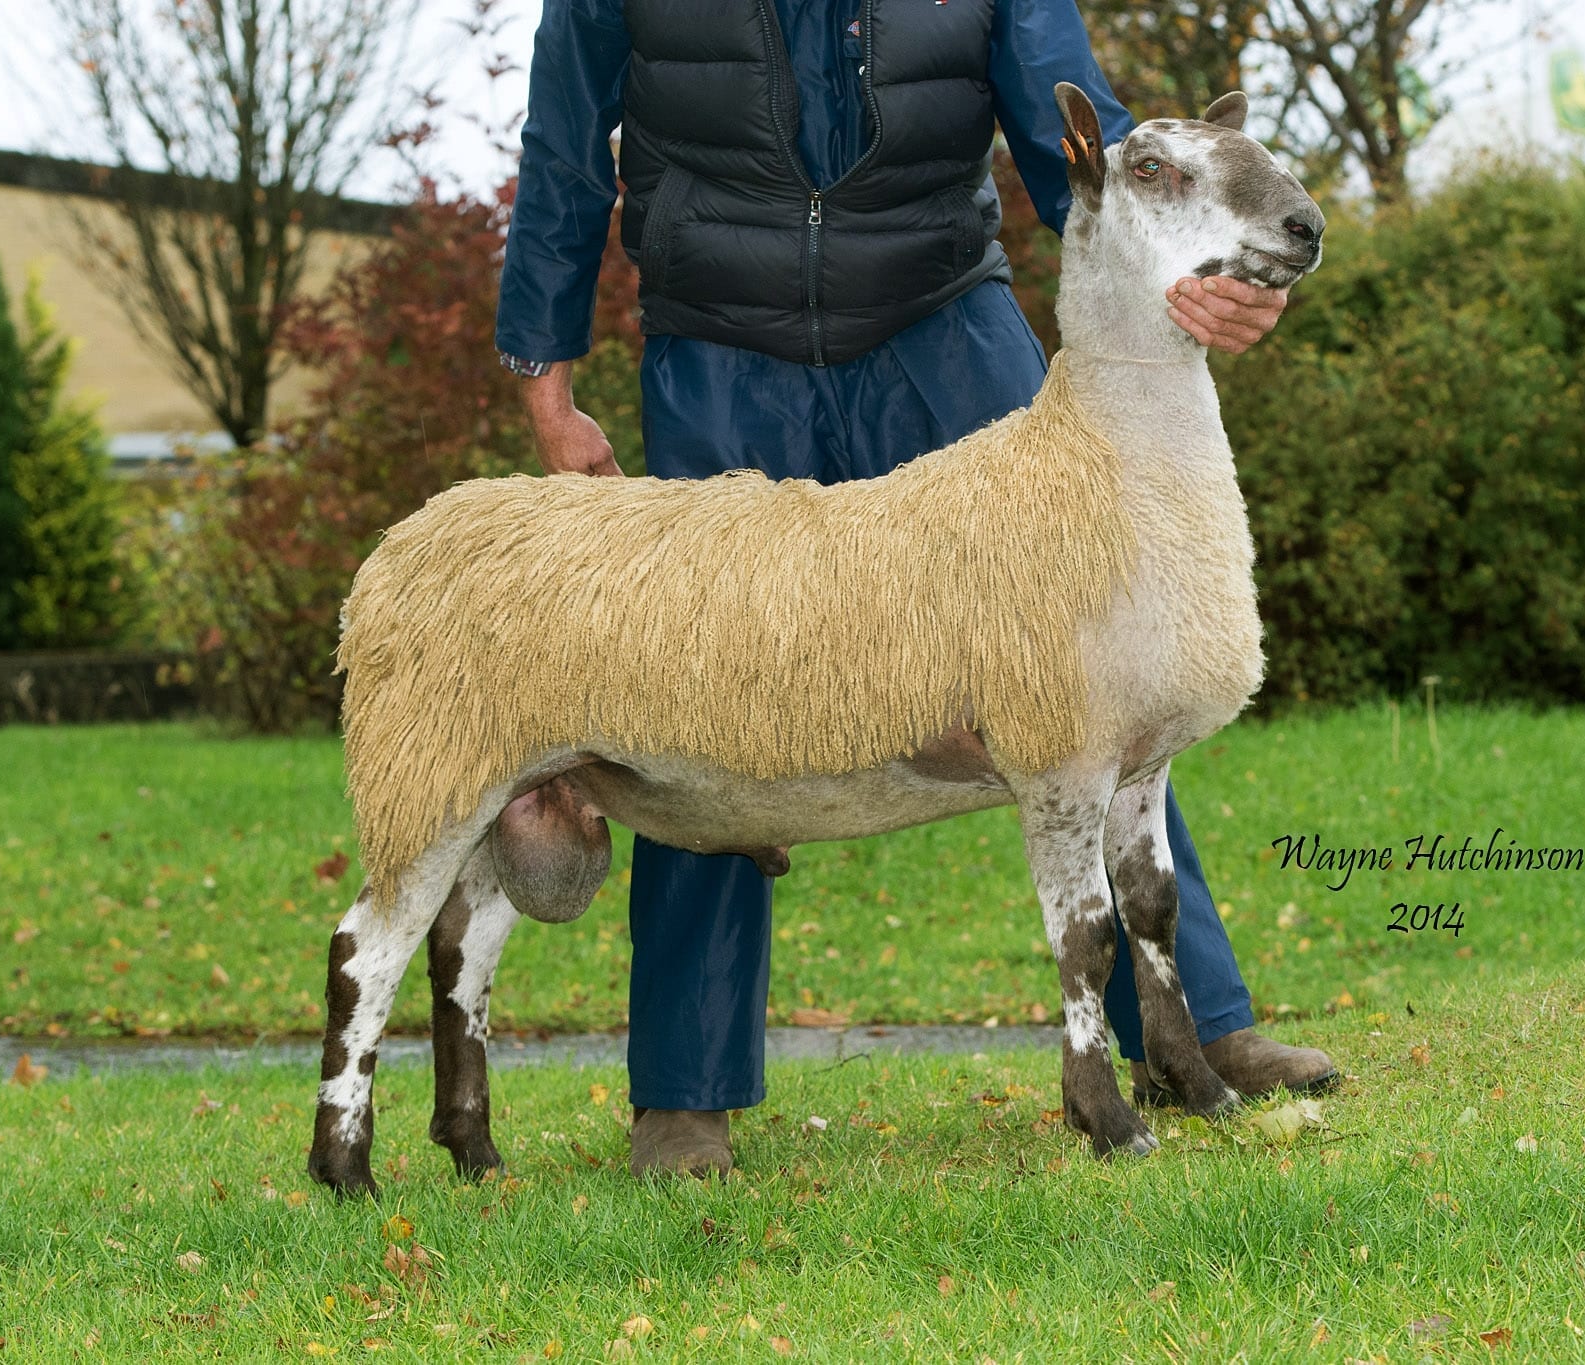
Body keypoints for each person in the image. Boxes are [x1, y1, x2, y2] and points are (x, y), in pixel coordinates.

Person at [494, 0, 1338, 1178]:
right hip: (720, 344)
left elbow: (1074, 136)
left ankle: (1193, 1028)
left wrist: (1196, 272)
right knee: (700, 700)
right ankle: (683, 1096)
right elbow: (566, 143)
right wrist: (544, 372)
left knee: (1091, 671)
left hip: (942, 326)